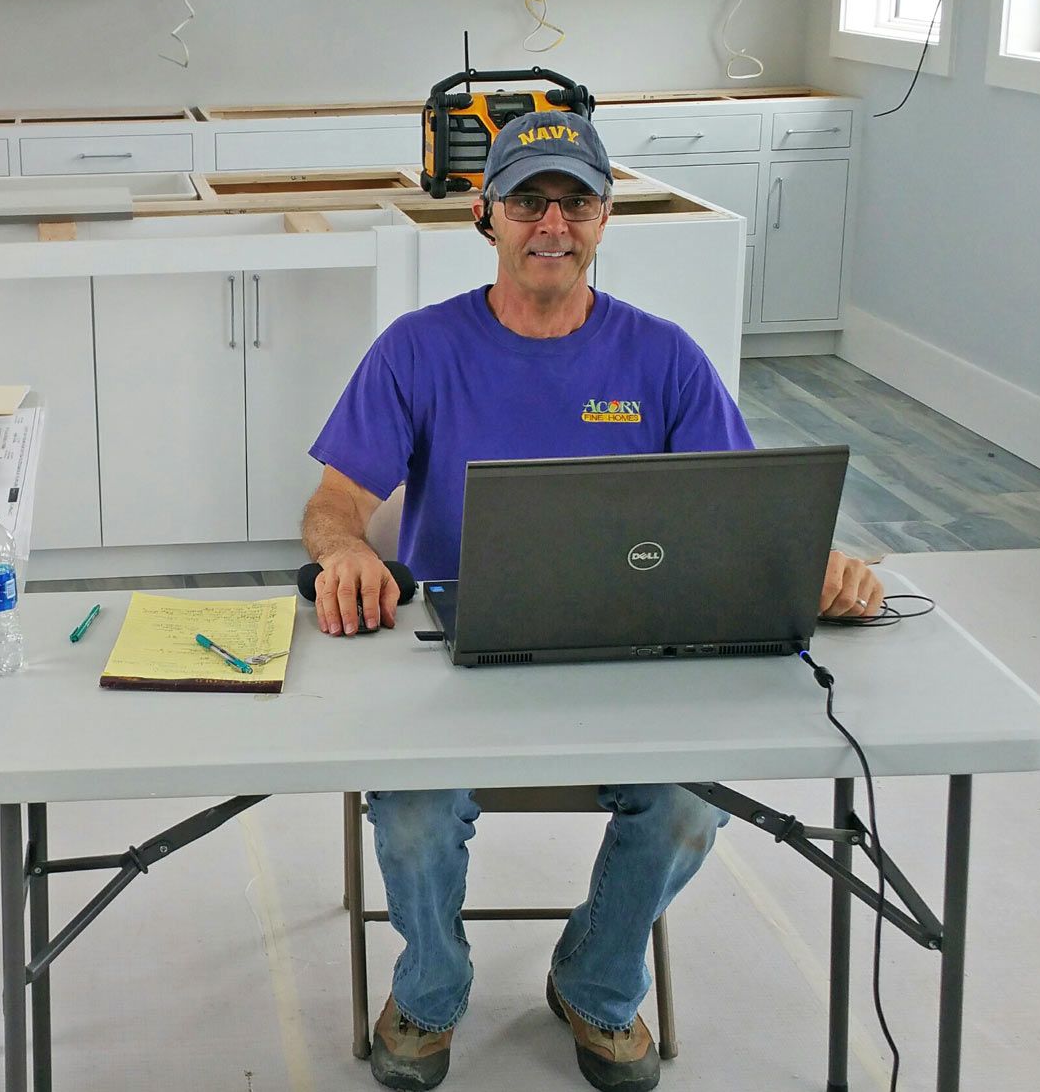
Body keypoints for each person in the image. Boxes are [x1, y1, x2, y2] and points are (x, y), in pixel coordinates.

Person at [301, 110, 884, 1092]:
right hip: (456, 669)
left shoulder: (664, 358)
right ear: (486, 214)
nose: (553, 224)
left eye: (576, 202)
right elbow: (332, 506)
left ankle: (598, 985)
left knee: (694, 806)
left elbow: (741, 519)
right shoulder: (418, 348)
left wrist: (823, 564)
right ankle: (432, 989)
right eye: (530, 200)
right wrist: (345, 552)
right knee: (408, 818)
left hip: (633, 665)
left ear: (607, 217)